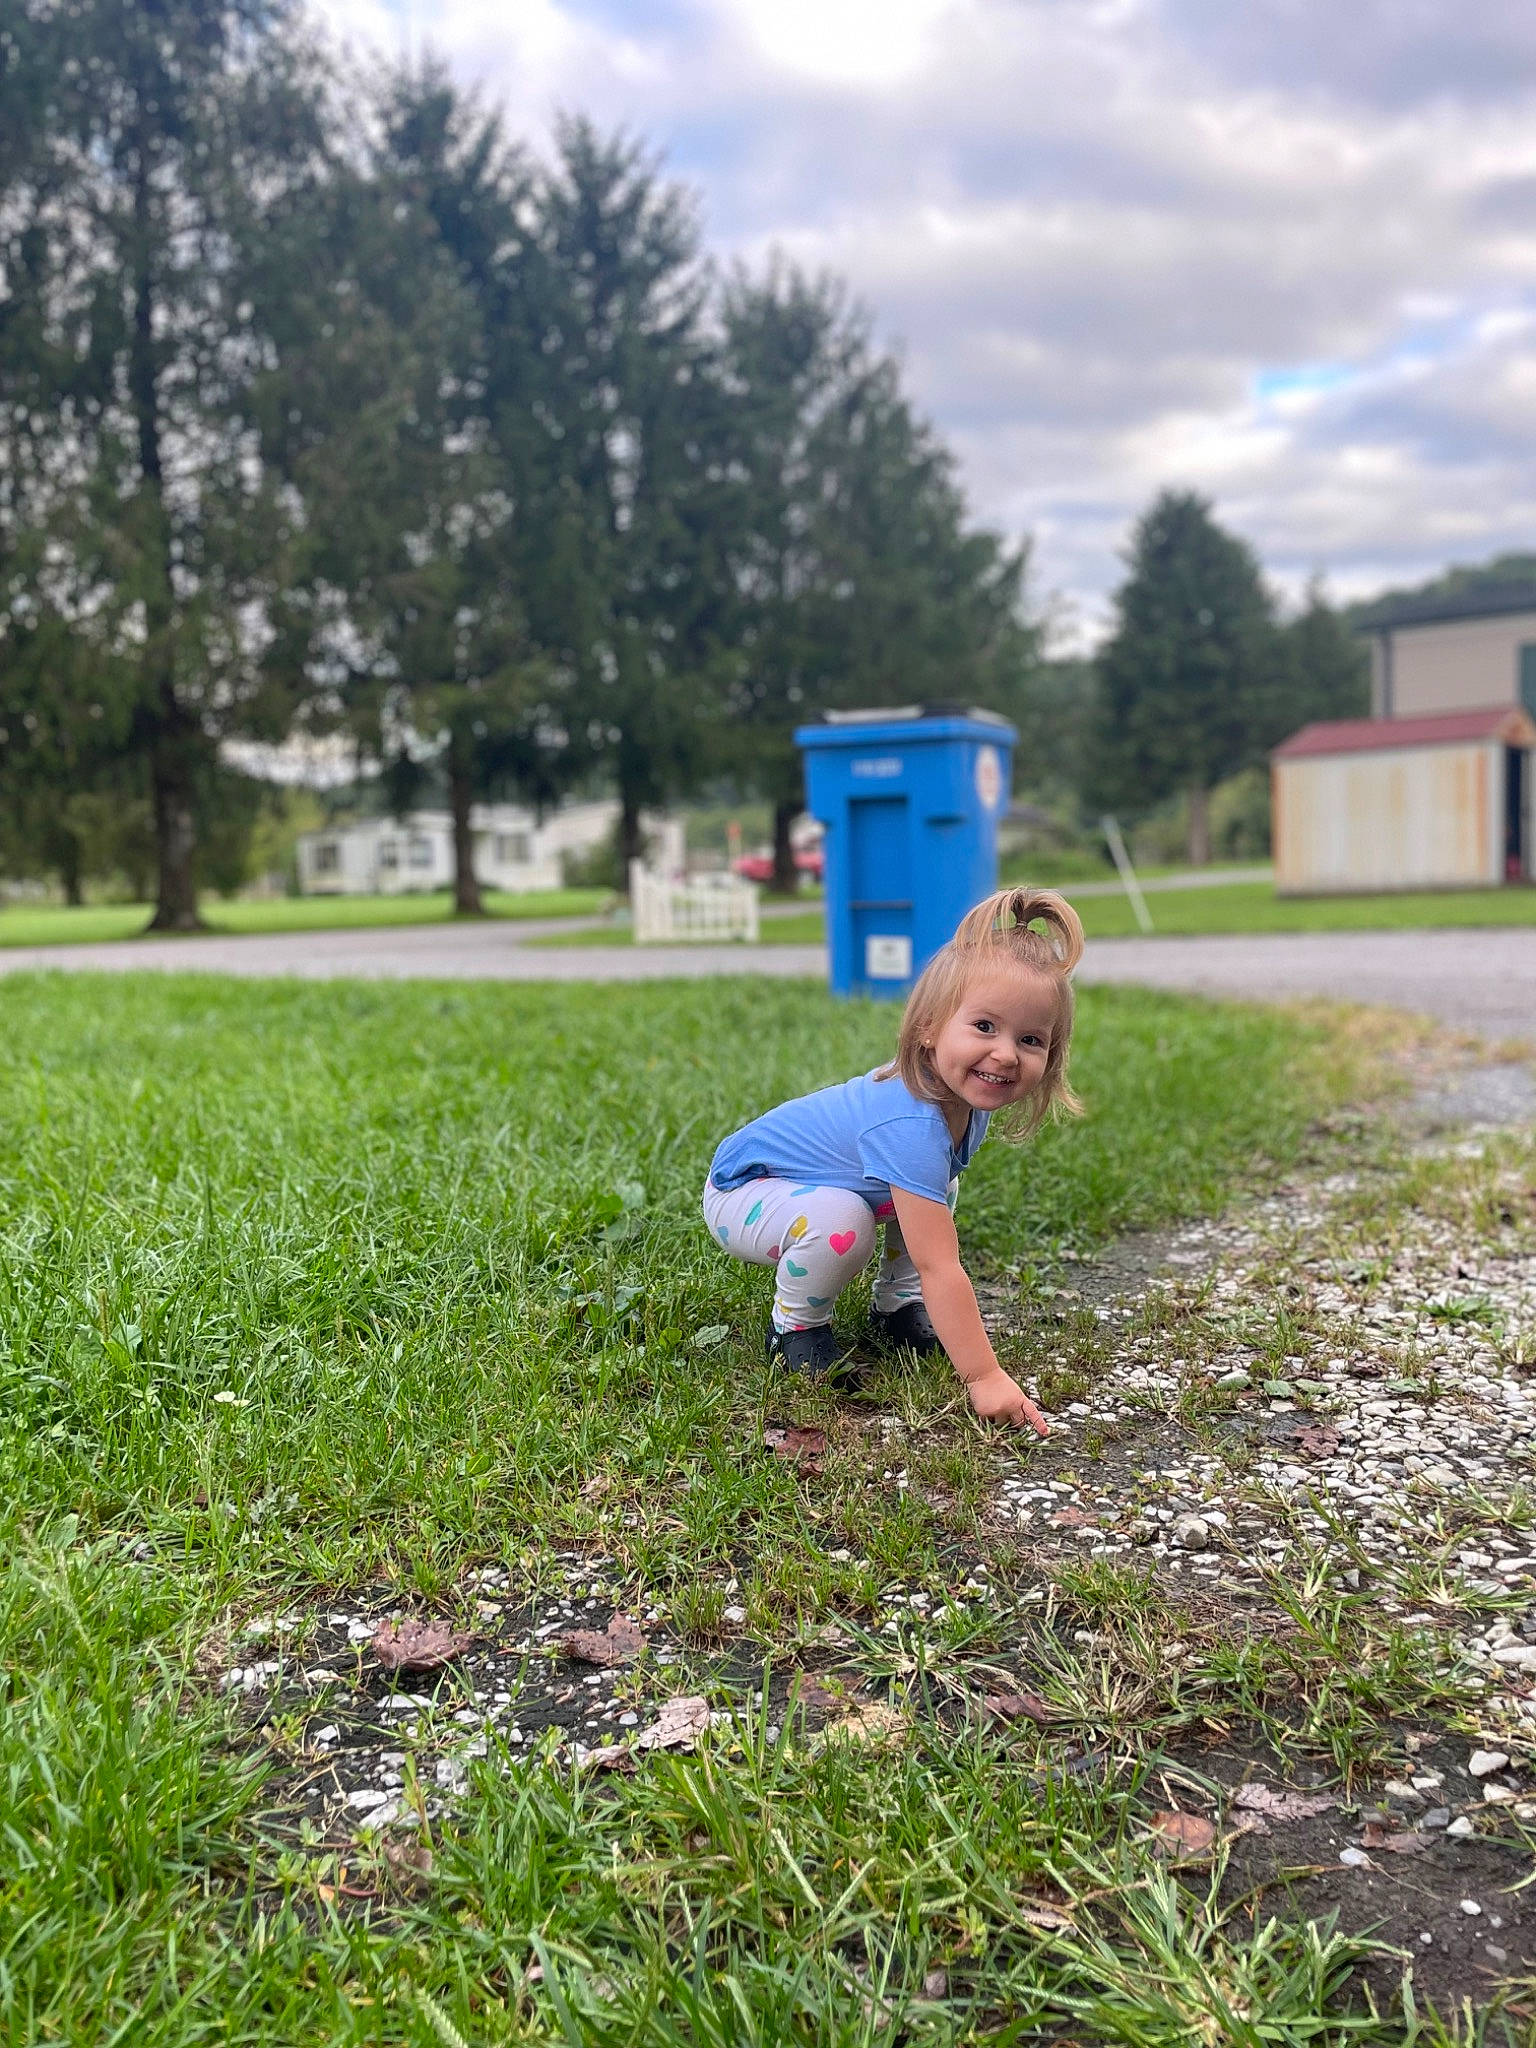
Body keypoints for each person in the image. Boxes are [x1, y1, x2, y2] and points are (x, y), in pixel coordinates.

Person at [702, 887, 1084, 1434]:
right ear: (929, 1028)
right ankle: (795, 1331)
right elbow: (940, 1265)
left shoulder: (963, 1098)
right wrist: (984, 1376)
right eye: (983, 1026)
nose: (1004, 1053)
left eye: (1030, 1039)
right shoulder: (910, 1123)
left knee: (933, 1189)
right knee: (844, 1225)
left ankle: (896, 1310)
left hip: (813, 1190)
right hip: (745, 1193)